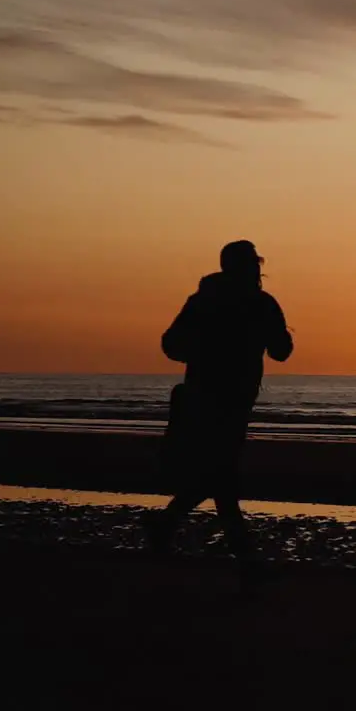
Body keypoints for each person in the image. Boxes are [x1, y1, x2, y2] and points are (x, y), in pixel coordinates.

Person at [145, 240, 293, 585]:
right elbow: (282, 351)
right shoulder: (260, 304)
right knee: (222, 476)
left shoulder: (204, 301)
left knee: (215, 475)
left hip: (209, 399)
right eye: (252, 265)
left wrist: (202, 351)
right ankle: (244, 557)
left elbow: (171, 344)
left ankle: (165, 526)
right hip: (225, 401)